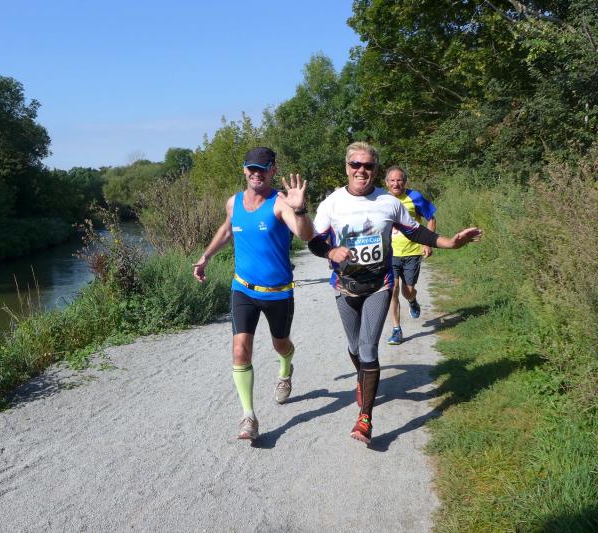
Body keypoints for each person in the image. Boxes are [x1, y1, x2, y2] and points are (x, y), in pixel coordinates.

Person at [307, 142, 482, 445]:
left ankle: (365, 417)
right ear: (347, 167)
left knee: (368, 347)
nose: (361, 170)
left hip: (380, 284)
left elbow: (417, 231)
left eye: (368, 166)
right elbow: (314, 241)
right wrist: (331, 251)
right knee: (354, 345)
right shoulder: (331, 203)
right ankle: (363, 379)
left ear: (375, 169)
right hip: (344, 286)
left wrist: (451, 243)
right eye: (355, 165)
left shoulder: (388, 202)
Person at [193, 147, 314, 440]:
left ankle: (285, 369)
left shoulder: (280, 203)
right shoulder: (233, 203)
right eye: (251, 168)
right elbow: (227, 230)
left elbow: (306, 235)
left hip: (278, 292)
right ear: (244, 169)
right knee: (240, 350)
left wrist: (300, 209)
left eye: (262, 168)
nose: (256, 173)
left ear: (273, 170)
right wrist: (206, 256)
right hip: (243, 289)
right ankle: (248, 416)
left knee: (280, 344)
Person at [384, 166, 437, 345]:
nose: (396, 183)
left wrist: (427, 242)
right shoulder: (381, 200)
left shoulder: (415, 197)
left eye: (399, 180)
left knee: (407, 291)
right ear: (386, 183)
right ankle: (396, 329)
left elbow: (431, 218)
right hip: (390, 254)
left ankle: (412, 300)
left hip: (412, 252)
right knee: (392, 290)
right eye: (392, 180)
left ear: (405, 181)